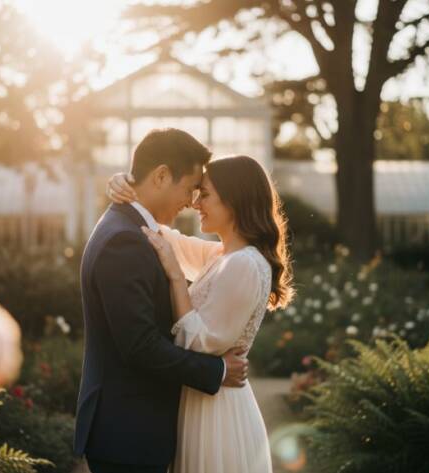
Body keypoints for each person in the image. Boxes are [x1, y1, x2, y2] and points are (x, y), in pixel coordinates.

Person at [74, 128, 250, 473]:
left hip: (131, 432)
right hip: (128, 435)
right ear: (161, 176)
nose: (192, 201)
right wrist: (218, 370)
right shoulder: (124, 241)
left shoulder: (135, 230)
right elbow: (139, 345)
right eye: (190, 189)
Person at [106, 154, 294, 472]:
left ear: (234, 201)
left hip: (217, 409)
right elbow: (168, 240)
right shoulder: (222, 256)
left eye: (204, 194)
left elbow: (201, 344)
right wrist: (128, 188)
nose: (195, 203)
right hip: (203, 399)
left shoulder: (244, 264)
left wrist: (178, 278)